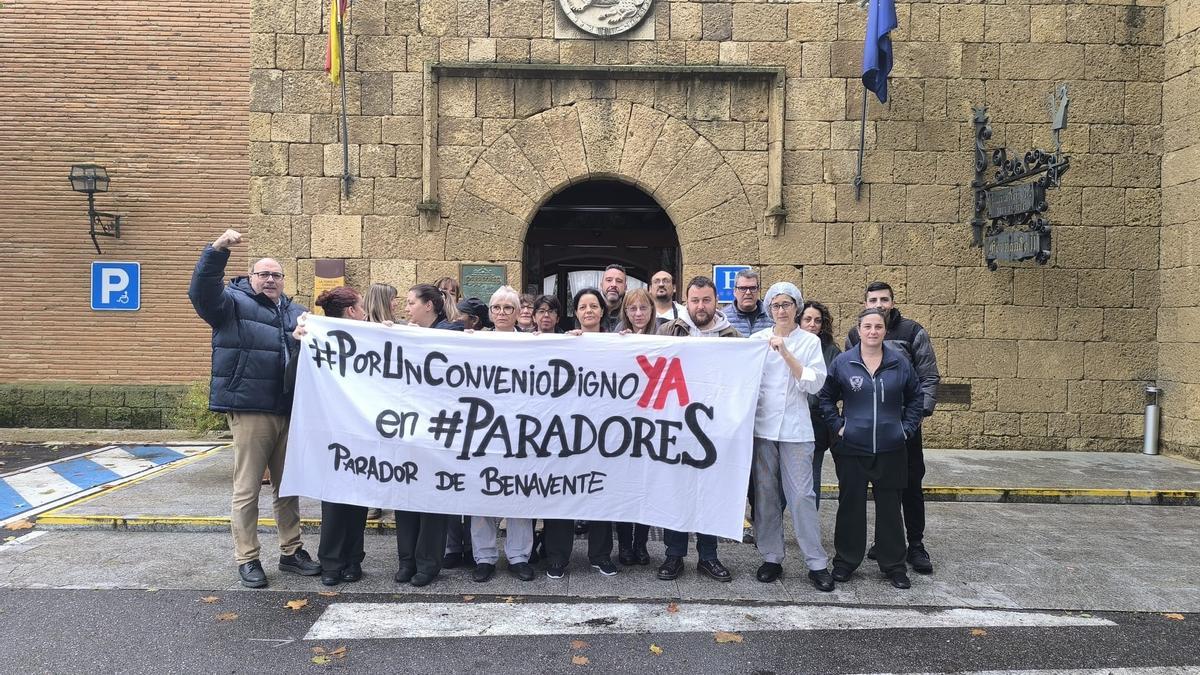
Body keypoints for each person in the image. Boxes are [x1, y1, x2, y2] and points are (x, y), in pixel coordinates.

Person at [188, 228, 321, 589]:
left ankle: (291, 551)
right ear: (251, 278)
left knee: (288, 486)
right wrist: (216, 250)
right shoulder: (231, 303)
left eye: (276, 275)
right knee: (247, 488)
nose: (270, 280)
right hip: (250, 409)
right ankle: (247, 557)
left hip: (288, 410)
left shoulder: (297, 313)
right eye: (263, 274)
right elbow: (200, 293)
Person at [819, 308, 923, 590]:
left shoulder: (899, 363)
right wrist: (839, 426)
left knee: (890, 508)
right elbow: (826, 397)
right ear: (859, 330)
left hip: (891, 447)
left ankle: (894, 565)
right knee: (850, 505)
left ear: (885, 331)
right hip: (853, 446)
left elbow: (916, 398)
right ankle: (845, 561)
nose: (873, 331)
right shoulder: (844, 362)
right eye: (868, 326)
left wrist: (906, 428)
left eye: (878, 326)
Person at [845, 281, 940, 575]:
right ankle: (884, 542)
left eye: (884, 299)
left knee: (911, 485)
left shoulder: (913, 332)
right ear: (865, 303)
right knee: (878, 490)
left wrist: (913, 421)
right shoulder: (855, 334)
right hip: (868, 430)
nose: (879, 304)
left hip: (902, 428)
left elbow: (928, 378)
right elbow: (848, 376)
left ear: (893, 302)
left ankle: (916, 544)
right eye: (873, 299)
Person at [748, 282, 834, 592]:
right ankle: (771, 557)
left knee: (801, 496)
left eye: (786, 304)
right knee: (767, 496)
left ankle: (816, 562)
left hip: (797, 431)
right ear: (769, 309)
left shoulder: (809, 342)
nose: (781, 310)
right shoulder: (757, 340)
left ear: (796, 307)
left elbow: (813, 384)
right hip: (763, 429)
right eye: (775, 305)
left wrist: (785, 353)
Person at [656, 276, 741, 582]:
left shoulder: (732, 338)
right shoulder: (668, 331)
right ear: (686, 302)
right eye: (695, 300)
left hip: (714, 429)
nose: (701, 306)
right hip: (676, 427)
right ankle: (673, 555)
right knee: (676, 492)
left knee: (711, 492)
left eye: (706, 300)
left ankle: (709, 556)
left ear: (716, 302)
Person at [542, 288, 619, 579]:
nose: (589, 311)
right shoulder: (563, 342)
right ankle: (557, 557)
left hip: (603, 433)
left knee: (600, 492)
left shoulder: (616, 342)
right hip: (564, 432)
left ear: (602, 311)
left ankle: (600, 555)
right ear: (576, 313)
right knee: (561, 492)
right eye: (583, 306)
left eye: (594, 306)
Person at [468, 286, 536, 583]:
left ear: (518, 311)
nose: (502, 313)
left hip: (520, 431)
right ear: (489, 311)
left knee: (520, 494)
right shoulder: (474, 341)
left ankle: (519, 556)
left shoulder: (534, 343)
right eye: (497, 307)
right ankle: (484, 556)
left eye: (509, 308)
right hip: (483, 430)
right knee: (482, 496)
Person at [305, 286, 371, 587]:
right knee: (333, 499)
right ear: (351, 311)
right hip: (331, 430)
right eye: (361, 306)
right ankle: (331, 561)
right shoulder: (316, 338)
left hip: (361, 430)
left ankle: (352, 559)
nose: (365, 311)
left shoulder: (370, 338)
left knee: (357, 497)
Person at [393, 284, 456, 586]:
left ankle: (427, 563)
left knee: (431, 500)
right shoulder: (404, 334)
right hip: (408, 429)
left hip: (439, 432)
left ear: (429, 305)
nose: (406, 308)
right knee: (405, 499)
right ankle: (406, 560)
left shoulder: (452, 333)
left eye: (410, 303)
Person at [611, 287, 657, 566]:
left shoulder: (665, 337)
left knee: (646, 488)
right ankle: (625, 546)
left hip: (652, 426)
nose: (638, 314)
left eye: (643, 308)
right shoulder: (617, 338)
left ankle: (641, 544)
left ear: (652, 310)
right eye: (632, 309)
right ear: (625, 313)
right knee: (624, 487)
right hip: (622, 427)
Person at [801, 300, 841, 510]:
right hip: (792, 418)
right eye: (807, 319)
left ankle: (809, 526)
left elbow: (835, 386)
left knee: (812, 476)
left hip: (817, 422)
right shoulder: (791, 345)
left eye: (817, 320)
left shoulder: (831, 352)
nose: (812, 324)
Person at [724, 269, 774, 336]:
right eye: (743, 288)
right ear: (734, 291)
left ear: (758, 290)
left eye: (752, 288)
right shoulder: (724, 318)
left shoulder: (772, 315)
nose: (748, 292)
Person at [600, 264, 628, 332]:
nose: (613, 285)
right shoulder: (590, 311)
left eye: (619, 281)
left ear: (625, 287)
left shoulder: (631, 313)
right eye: (609, 280)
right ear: (601, 285)